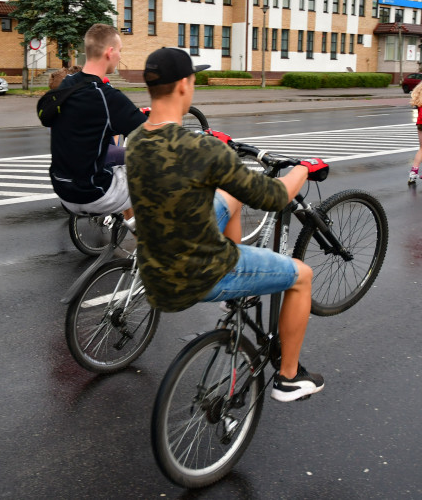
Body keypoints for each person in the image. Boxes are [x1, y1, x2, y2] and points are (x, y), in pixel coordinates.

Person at [125, 47, 324, 402]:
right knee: (302, 276)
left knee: (228, 198)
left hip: (156, 272)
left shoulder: (136, 140)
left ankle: (238, 277)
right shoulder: (203, 150)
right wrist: (304, 169)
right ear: (185, 86)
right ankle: (289, 377)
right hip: (201, 274)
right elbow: (274, 197)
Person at [48, 24, 147, 217]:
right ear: (110, 52)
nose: (120, 56)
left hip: (64, 192)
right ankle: (152, 245)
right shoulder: (107, 97)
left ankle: (133, 228)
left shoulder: (66, 85)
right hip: (95, 194)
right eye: (120, 51)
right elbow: (154, 136)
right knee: (162, 174)